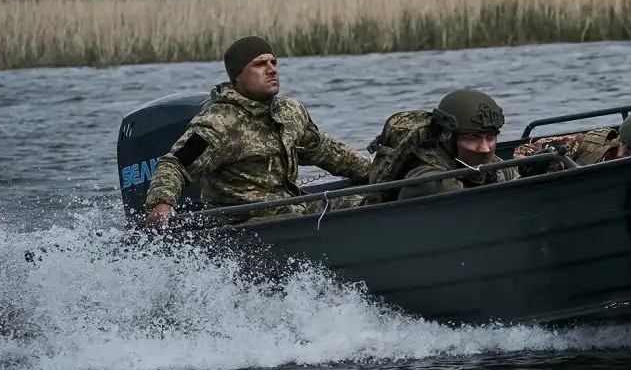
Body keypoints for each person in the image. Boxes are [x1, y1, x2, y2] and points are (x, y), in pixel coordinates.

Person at [144, 35, 372, 227]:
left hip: (292, 209)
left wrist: (375, 171)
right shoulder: (217, 124)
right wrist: (162, 204)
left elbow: (323, 149)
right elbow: (176, 164)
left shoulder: (290, 111)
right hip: (244, 223)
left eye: (273, 62)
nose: (271, 69)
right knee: (292, 220)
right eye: (260, 64)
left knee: (366, 203)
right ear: (237, 77)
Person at [376, 87, 520, 200]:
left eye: (490, 137)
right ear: (448, 137)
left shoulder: (492, 165)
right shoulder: (430, 180)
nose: (485, 148)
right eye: (473, 138)